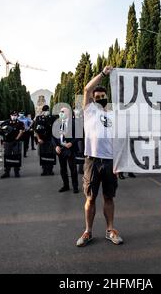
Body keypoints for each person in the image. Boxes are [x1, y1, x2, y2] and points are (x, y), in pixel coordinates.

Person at [76, 66, 123, 247]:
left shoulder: (113, 113)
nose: (100, 99)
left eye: (103, 96)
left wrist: (120, 162)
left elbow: (119, 138)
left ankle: (110, 229)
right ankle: (88, 231)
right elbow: (87, 89)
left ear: (107, 98)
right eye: (97, 97)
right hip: (92, 160)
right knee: (90, 198)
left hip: (110, 160)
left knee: (109, 197)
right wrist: (103, 74)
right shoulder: (89, 111)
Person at [53, 107, 79, 193]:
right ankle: (66, 185)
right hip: (60, 149)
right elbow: (53, 137)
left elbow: (78, 136)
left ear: (68, 113)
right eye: (60, 112)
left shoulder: (74, 123)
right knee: (63, 169)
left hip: (70, 149)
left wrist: (71, 143)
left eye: (63, 111)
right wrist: (56, 146)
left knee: (73, 169)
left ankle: (75, 186)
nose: (61, 113)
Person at [0, 111, 25, 178]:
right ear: (10, 115)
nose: (14, 116)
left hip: (16, 142)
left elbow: (21, 132)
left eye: (15, 115)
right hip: (7, 142)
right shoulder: (6, 122)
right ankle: (7, 172)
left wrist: (16, 139)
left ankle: (17, 172)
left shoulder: (20, 123)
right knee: (7, 156)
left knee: (16, 156)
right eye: (13, 115)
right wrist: (3, 134)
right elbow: (0, 130)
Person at [34, 106, 56, 176]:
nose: (47, 112)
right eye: (45, 111)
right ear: (43, 111)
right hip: (42, 140)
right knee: (43, 155)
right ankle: (44, 170)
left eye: (48, 110)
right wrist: (38, 139)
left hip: (50, 139)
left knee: (51, 154)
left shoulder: (53, 118)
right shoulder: (38, 118)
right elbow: (36, 130)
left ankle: (50, 170)